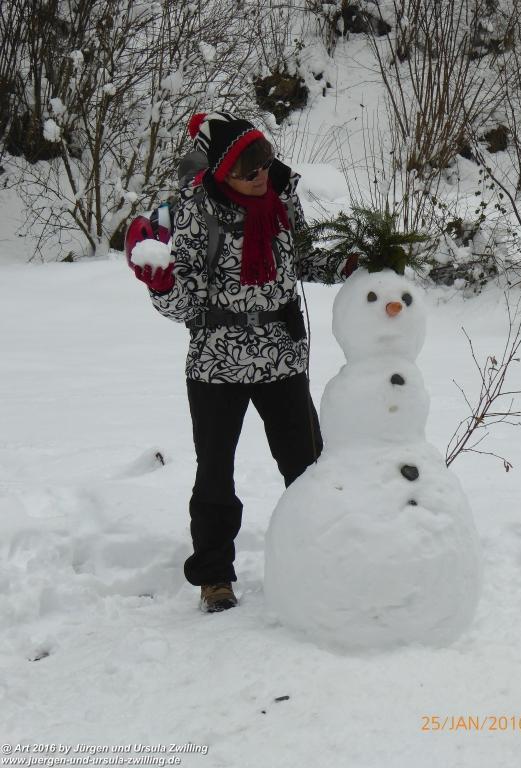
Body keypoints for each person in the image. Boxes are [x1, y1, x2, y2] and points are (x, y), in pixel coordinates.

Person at [130, 111, 356, 613]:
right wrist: (162, 285)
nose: (260, 176)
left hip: (280, 354)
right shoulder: (194, 210)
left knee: (308, 469)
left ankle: (321, 557)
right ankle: (214, 577)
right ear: (222, 172)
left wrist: (344, 263)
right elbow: (185, 302)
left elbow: (301, 258)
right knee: (215, 474)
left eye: (264, 164)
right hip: (216, 361)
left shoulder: (281, 198)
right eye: (248, 171)